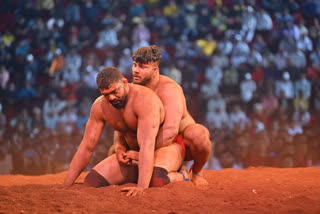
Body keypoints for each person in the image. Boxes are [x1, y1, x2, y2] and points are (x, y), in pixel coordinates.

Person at [64, 66, 186, 196]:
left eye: (114, 91)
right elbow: (87, 147)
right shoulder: (100, 107)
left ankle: (181, 174)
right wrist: (66, 185)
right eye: (106, 95)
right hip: (133, 154)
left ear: (124, 82)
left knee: (156, 180)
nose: (111, 98)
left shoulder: (145, 101)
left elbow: (147, 145)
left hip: (166, 148)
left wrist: (141, 187)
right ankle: (138, 174)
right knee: (92, 181)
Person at [130, 45, 211, 185]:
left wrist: (142, 154)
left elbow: (170, 132)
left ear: (155, 70)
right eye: (134, 65)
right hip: (150, 141)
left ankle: (196, 172)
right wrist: (120, 148)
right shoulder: (132, 89)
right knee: (115, 151)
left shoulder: (169, 89)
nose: (136, 70)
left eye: (142, 67)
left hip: (177, 141)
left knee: (200, 135)